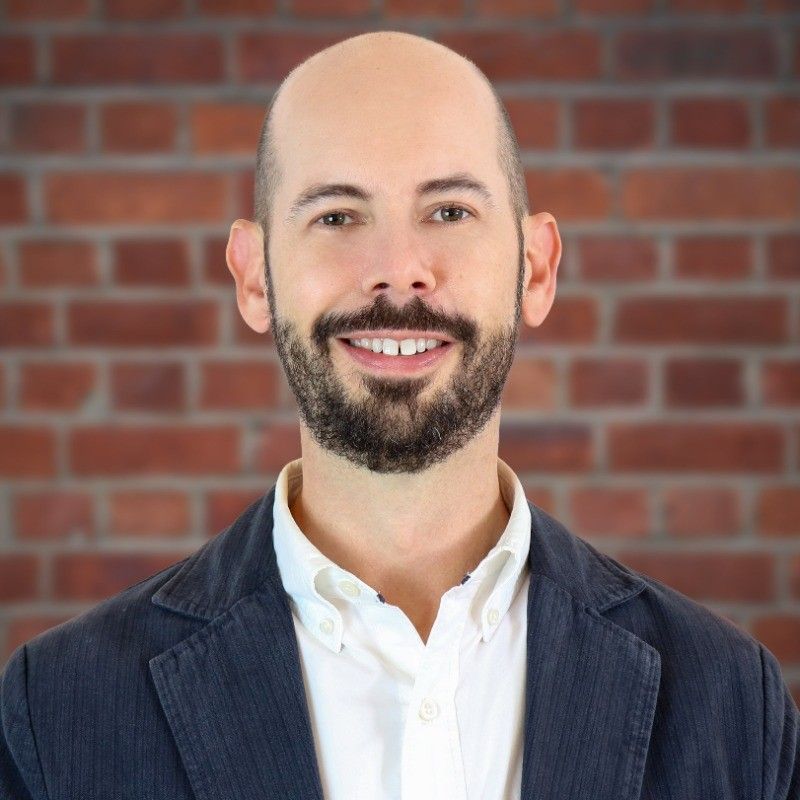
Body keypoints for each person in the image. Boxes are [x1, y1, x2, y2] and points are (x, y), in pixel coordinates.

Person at [1, 29, 797, 800]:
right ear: (253, 276)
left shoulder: (733, 707)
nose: (397, 272)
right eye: (337, 217)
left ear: (537, 268)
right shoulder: (58, 711)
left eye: (449, 211)